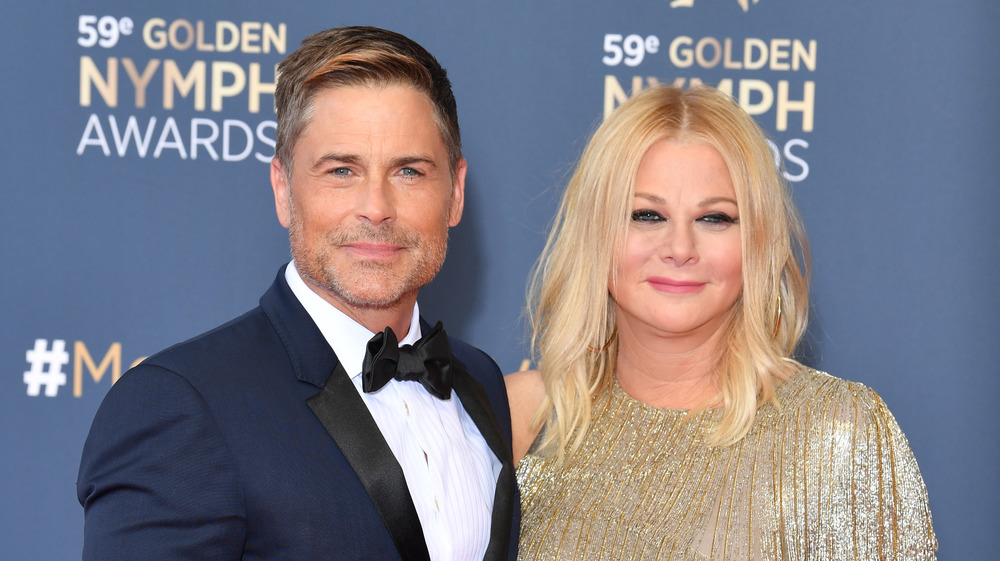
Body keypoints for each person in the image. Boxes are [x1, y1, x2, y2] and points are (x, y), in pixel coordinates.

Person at [78, 26, 517, 561]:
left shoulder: (481, 382)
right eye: (341, 170)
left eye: (408, 171)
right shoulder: (181, 405)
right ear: (284, 191)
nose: (376, 207)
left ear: (455, 192)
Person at [506, 85, 936, 560]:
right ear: (597, 234)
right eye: (646, 215)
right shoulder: (527, 417)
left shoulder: (839, 431)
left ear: (758, 241)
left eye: (715, 219)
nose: (680, 248)